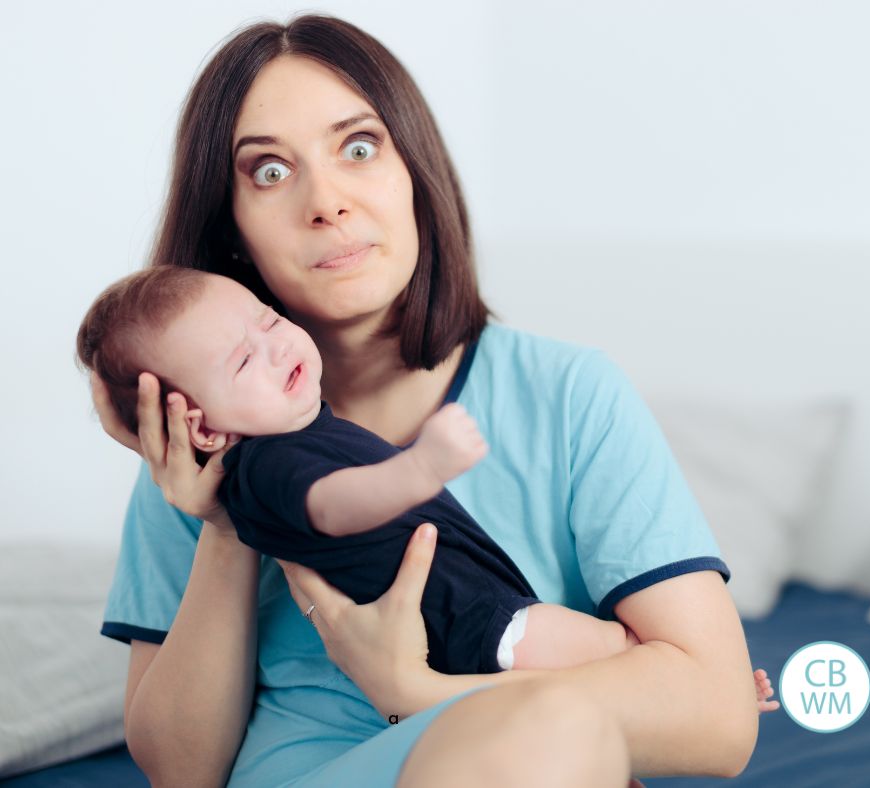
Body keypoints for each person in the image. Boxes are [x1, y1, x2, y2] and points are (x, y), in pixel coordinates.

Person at [91, 14, 777, 788]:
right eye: (270, 172)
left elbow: (721, 722)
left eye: (358, 147)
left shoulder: (568, 394)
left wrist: (416, 696)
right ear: (232, 233)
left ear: (414, 170)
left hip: (515, 757)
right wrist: (224, 523)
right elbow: (182, 773)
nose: (328, 203)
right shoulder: (196, 443)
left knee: (550, 732)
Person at [78, 266, 641, 675]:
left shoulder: (305, 430)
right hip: (472, 623)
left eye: (269, 321)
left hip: (482, 613)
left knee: (600, 723)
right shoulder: (264, 467)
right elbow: (333, 507)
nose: (275, 348)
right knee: (623, 658)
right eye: (244, 360)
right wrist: (421, 467)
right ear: (202, 430)